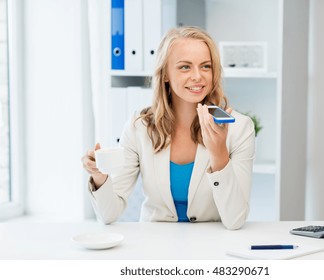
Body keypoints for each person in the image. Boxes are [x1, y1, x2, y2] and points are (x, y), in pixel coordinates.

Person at [81, 26, 255, 230]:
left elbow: (235, 220)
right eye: (185, 67)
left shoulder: (240, 128)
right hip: (155, 246)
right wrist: (99, 176)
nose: (198, 76)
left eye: (206, 66)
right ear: (165, 74)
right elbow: (108, 215)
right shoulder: (140, 127)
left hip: (211, 245)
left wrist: (219, 155)